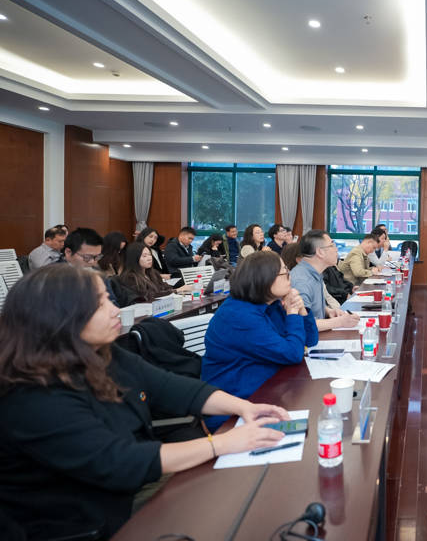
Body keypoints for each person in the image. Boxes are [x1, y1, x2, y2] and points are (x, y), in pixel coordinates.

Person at [0, 265, 290, 539]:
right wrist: (221, 444)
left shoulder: (100, 354)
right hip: (85, 524)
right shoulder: (32, 397)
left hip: (125, 493)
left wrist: (243, 407)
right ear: (60, 319)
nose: (115, 310)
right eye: (100, 304)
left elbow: (172, 387)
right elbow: (120, 461)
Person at [201, 251, 318, 430]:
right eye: (285, 273)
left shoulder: (269, 304)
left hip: (268, 391)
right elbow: (293, 353)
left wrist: (301, 310)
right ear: (264, 278)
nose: (290, 277)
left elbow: (311, 339)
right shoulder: (239, 316)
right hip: (234, 412)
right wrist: (292, 313)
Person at [289, 230, 360, 331]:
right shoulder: (302, 281)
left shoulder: (314, 272)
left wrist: (329, 311)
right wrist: (340, 322)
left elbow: (311, 307)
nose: (336, 249)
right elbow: (303, 324)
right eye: (332, 245)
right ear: (320, 252)